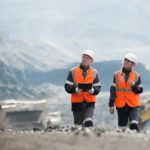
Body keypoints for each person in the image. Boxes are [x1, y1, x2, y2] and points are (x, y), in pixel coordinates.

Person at [64, 50, 101, 128]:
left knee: (88, 120)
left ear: (92, 61)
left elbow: (98, 88)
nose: (85, 59)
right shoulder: (73, 71)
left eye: (88, 58)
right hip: (76, 102)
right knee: (78, 126)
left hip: (89, 102)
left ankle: (88, 131)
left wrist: (92, 90)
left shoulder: (94, 72)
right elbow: (67, 86)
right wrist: (76, 89)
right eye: (84, 57)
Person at [109, 53, 143, 132]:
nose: (125, 62)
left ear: (133, 64)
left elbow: (140, 90)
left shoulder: (137, 76)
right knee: (122, 128)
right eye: (124, 60)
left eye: (128, 61)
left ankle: (138, 141)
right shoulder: (116, 74)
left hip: (133, 105)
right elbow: (113, 90)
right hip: (120, 105)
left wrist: (134, 85)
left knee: (134, 125)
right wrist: (111, 104)